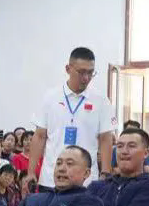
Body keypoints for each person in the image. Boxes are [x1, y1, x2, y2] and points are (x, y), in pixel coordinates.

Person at [28, 47, 115, 191]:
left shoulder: (101, 100)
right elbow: (39, 136)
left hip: (86, 182)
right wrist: (31, 172)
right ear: (68, 69)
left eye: (90, 73)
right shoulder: (50, 97)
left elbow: (106, 138)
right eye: (81, 72)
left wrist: (105, 172)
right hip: (51, 179)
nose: (86, 78)